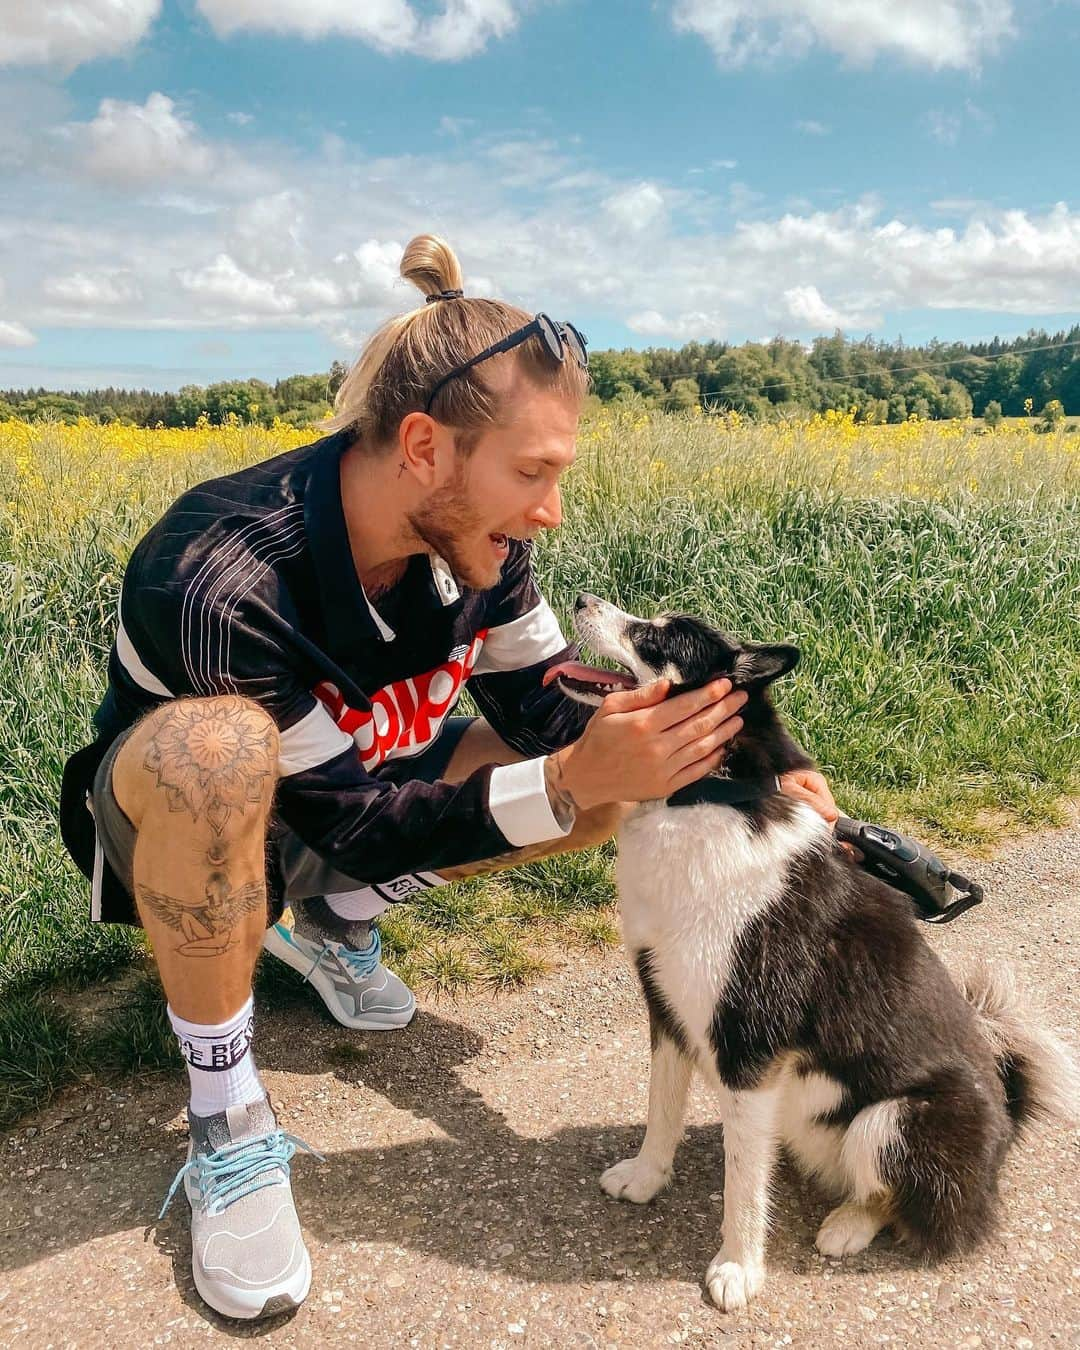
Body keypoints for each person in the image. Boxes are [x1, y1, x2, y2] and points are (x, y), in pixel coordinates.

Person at [58, 233, 841, 1321]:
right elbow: (356, 815)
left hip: (358, 798)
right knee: (219, 754)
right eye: (532, 474)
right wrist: (565, 781)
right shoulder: (218, 572)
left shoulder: (484, 549)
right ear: (424, 445)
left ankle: (330, 926)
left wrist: (765, 766)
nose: (550, 514)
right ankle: (228, 1116)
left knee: (615, 770)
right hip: (192, 823)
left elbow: (541, 705)